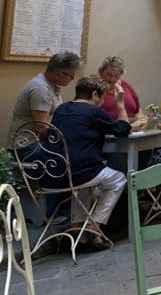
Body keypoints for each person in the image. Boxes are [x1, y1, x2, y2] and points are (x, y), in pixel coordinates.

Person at [44, 77, 131, 251]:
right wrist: (120, 104)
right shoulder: (93, 111)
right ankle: (94, 227)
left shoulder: (61, 109)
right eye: (101, 97)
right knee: (119, 179)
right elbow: (123, 129)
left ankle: (78, 229)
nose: (101, 103)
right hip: (80, 173)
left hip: (51, 175)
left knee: (84, 185)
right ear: (93, 95)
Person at [8, 51, 82, 152]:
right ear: (58, 74)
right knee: (74, 156)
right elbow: (40, 128)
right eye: (71, 75)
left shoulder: (50, 84)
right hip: (26, 146)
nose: (73, 79)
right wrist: (65, 140)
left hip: (37, 142)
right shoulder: (41, 89)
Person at [97, 56, 142, 122]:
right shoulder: (96, 89)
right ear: (101, 72)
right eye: (108, 74)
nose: (112, 78)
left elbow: (138, 110)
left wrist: (140, 121)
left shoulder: (126, 86)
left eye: (116, 76)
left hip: (132, 129)